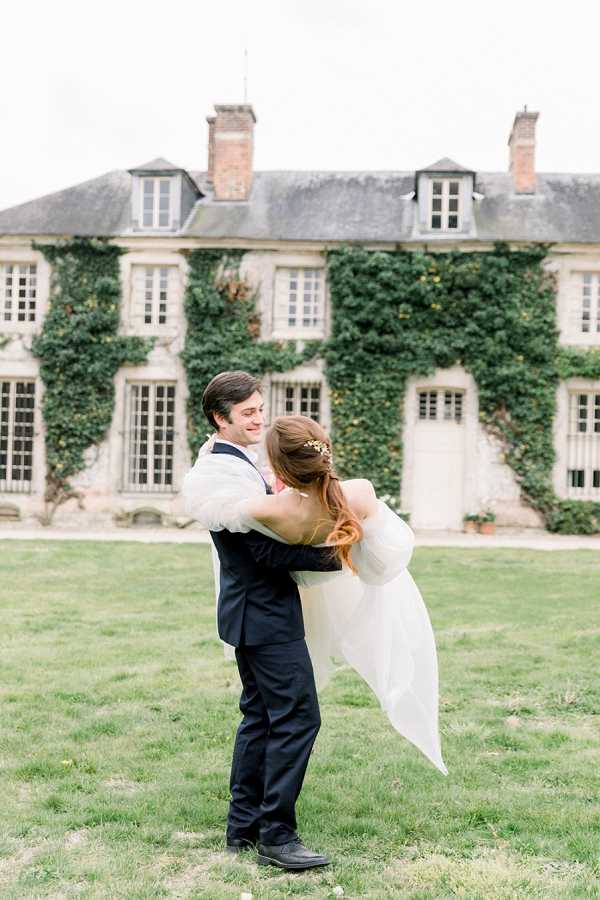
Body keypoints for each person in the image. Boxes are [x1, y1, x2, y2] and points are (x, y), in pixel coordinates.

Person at [182, 371, 341, 872]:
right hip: (262, 613)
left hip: (256, 611)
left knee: (261, 717)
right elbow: (261, 552)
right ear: (220, 418)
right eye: (248, 412)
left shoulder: (237, 463)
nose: (259, 418)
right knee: (297, 718)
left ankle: (242, 828)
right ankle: (277, 835)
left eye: (259, 407)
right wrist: (337, 553)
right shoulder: (219, 472)